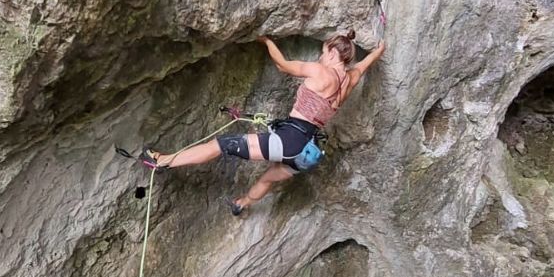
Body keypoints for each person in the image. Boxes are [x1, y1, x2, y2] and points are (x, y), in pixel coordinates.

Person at [140, 31, 386, 215]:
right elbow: (363, 65)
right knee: (268, 179)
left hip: (289, 140)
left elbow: (283, 65)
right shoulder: (349, 80)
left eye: (323, 52)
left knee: (222, 145)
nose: (321, 57)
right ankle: (242, 204)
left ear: (333, 53)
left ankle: (162, 161)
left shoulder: (321, 72)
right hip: (306, 152)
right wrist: (379, 50)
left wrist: (268, 42)